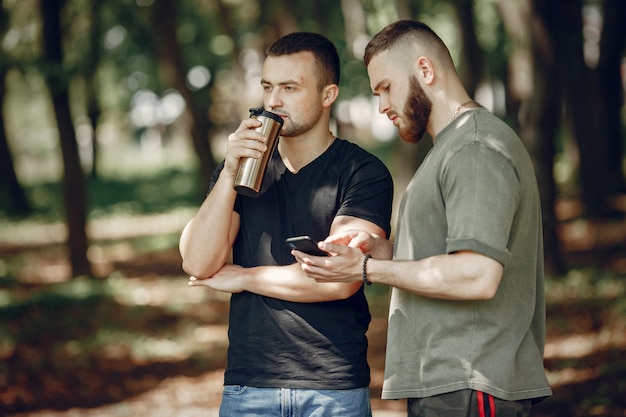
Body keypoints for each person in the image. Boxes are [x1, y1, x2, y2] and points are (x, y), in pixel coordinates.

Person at [293, 20, 552, 417]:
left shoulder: (475, 149)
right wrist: (386, 252)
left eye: (385, 88)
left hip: (471, 382)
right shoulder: (453, 148)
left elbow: (477, 274)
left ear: (425, 71)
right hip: (451, 383)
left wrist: (368, 268)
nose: (381, 105)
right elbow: (452, 257)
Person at [179, 31, 393, 417]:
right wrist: (229, 174)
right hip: (248, 385)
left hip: (333, 389)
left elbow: (340, 277)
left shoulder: (363, 172)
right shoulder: (243, 169)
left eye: (290, 88)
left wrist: (244, 277)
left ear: (328, 95)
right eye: (268, 87)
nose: (273, 101)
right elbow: (197, 262)